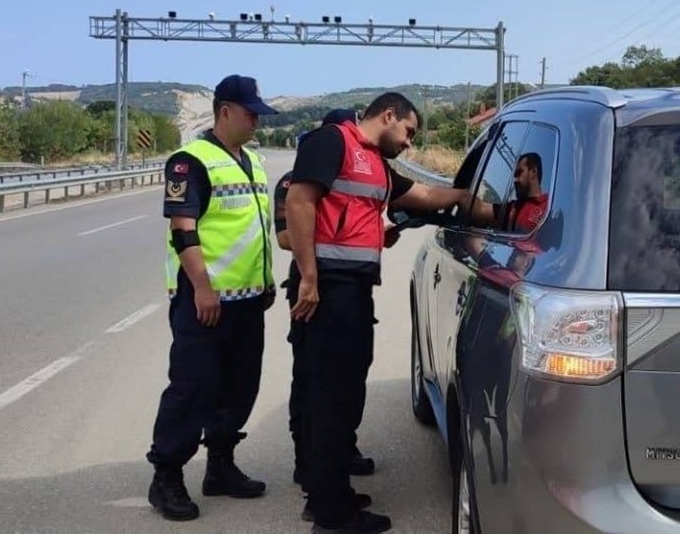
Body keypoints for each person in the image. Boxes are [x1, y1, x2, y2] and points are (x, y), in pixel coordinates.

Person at [285, 92, 469, 533]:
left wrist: (466, 195)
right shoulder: (332, 142)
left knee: (341, 393)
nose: (408, 143)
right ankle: (331, 514)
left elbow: (419, 193)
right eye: (407, 132)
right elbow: (299, 201)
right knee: (331, 397)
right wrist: (309, 276)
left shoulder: (373, 162)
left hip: (349, 291)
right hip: (327, 290)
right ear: (388, 115)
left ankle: (329, 493)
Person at [146, 74, 279, 522]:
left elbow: (253, 229)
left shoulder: (254, 162)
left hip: (246, 301)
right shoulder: (190, 161)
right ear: (224, 111)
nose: (256, 120)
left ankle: (220, 466)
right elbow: (184, 230)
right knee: (193, 388)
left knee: (240, 387)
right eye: (250, 113)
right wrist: (202, 287)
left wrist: (265, 281)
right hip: (204, 301)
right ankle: (166, 477)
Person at [272, 109, 382, 501]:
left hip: (342, 289)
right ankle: (311, 472)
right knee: (313, 385)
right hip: (312, 289)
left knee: (345, 384)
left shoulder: (358, 171)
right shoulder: (293, 182)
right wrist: (314, 268)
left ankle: (335, 458)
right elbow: (287, 236)